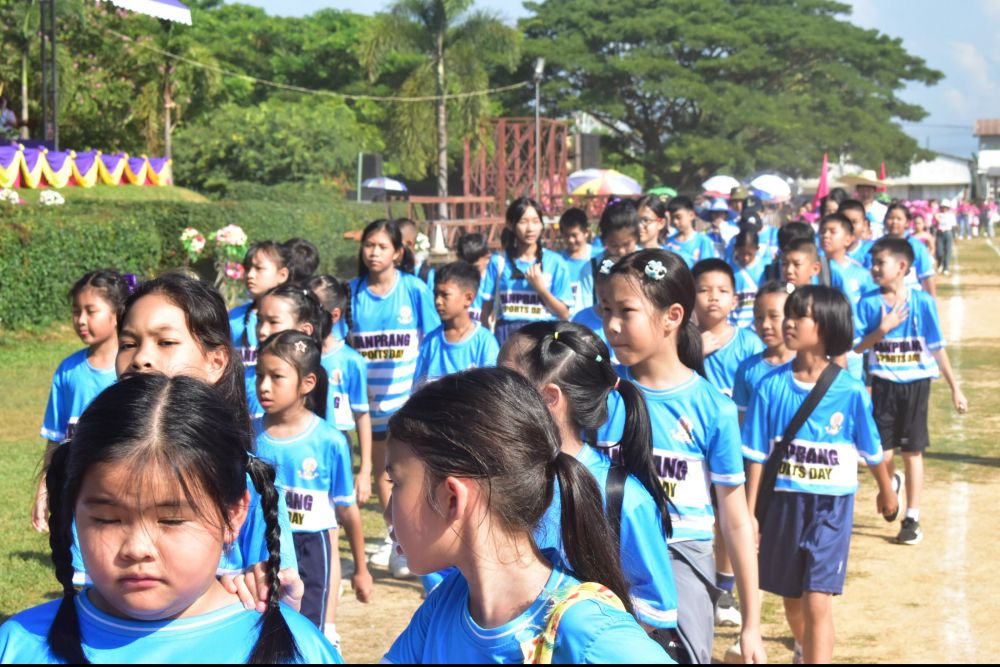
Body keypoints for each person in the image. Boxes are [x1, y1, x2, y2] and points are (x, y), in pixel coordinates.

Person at [0, 374, 339, 664]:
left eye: (172, 520)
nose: (137, 549)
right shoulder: (17, 644)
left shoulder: (298, 648)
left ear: (234, 515)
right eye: (107, 519)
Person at [382, 367, 672, 663]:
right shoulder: (446, 605)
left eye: (396, 483)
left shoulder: (588, 631)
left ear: (453, 498)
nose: (386, 514)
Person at [601, 250, 765, 664]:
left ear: (672, 316)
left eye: (626, 311)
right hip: (605, 563)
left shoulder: (713, 409)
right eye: (606, 309)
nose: (612, 325)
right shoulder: (600, 398)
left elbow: (735, 520)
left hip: (683, 562)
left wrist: (751, 624)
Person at [114, 273, 302, 610]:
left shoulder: (250, 479)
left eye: (165, 342)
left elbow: (281, 602)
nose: (140, 358)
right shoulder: (100, 476)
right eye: (128, 343)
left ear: (216, 362)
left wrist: (274, 594)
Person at [501, 321, 680, 653]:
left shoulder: (625, 499)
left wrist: (573, 638)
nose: (492, 389)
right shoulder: (498, 481)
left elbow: (656, 607)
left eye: (506, 379)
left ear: (549, 398)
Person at [743, 286, 896, 664]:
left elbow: (872, 449)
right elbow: (756, 457)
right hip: (782, 507)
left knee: (817, 600)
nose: (789, 322)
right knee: (792, 600)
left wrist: (886, 490)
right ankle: (803, 646)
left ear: (826, 326)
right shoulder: (769, 387)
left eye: (800, 316)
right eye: (789, 314)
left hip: (831, 509)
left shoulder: (850, 391)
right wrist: (749, 515)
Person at [254, 331, 372, 645]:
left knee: (305, 636)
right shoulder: (247, 434)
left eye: (276, 377)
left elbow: (347, 510)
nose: (264, 385)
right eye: (259, 375)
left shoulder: (330, 441)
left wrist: (361, 568)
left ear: (307, 383)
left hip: (311, 551)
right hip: (260, 547)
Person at [855, 238, 968, 545]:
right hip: (883, 385)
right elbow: (858, 347)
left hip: (916, 385)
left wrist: (955, 388)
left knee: (913, 451)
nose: (874, 268)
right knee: (881, 453)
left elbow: (937, 347)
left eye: (881, 263)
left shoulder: (923, 303)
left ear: (902, 266)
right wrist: (883, 329)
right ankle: (891, 481)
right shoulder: (868, 303)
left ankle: (912, 518)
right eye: (873, 263)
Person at [350, 219, 440, 579]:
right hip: (369, 406)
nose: (374, 252)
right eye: (369, 245)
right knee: (382, 473)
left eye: (382, 246)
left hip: (407, 402)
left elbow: (432, 340)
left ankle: (413, 539)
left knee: (409, 473)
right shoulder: (352, 292)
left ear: (398, 253)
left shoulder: (414, 289)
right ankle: (395, 537)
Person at [33, 270, 130, 533]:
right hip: (75, 490)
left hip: (124, 490)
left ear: (117, 314)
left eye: (91, 311)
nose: (81, 320)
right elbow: (55, 438)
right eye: (76, 312)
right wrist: (44, 489)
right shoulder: (67, 371)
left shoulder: (133, 368)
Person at [306, 275, 373, 506]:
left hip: (336, 446)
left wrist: (365, 469)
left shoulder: (351, 361)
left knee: (335, 512)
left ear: (334, 315)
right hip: (304, 445)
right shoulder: (299, 355)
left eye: (312, 309)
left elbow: (362, 415)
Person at [480, 198, 572, 345]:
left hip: (543, 337)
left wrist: (540, 288)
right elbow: (485, 312)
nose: (530, 228)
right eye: (523, 222)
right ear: (511, 225)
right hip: (506, 337)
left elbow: (564, 313)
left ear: (541, 225)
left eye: (535, 221)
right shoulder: (498, 262)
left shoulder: (555, 263)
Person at [414, 261, 499, 386]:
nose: (438, 301)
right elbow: (418, 388)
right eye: (436, 294)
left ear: (468, 298)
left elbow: (492, 388)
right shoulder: (430, 342)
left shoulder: (485, 342)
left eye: (445, 295)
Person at [694, 259, 765, 398]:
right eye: (704, 290)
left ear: (734, 302)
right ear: (690, 299)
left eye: (723, 291)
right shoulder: (681, 341)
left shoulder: (750, 343)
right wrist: (694, 354)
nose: (714, 297)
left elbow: (760, 389)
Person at [732, 281, 795, 423]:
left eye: (774, 316)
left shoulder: (808, 366)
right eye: (759, 317)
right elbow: (742, 421)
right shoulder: (746, 369)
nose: (765, 325)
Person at [230, 241, 291, 367]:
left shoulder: (291, 316)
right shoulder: (233, 316)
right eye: (248, 269)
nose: (250, 275)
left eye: (259, 268)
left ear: (282, 275)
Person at [882, 203, 937, 297]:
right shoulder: (877, 246)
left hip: (912, 299)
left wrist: (932, 302)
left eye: (899, 219)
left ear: (907, 223)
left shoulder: (918, 247)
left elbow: (927, 277)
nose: (894, 222)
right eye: (891, 218)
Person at [558, 207, 595, 317]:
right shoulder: (558, 261)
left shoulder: (597, 257)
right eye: (566, 235)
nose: (570, 240)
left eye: (574, 235)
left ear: (586, 232)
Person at [727, 229, 767, 329]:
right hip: (736, 326)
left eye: (750, 254)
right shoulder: (730, 270)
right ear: (735, 249)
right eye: (742, 253)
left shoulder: (765, 269)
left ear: (757, 249)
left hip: (758, 327)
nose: (746, 258)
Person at [665, 196, 717, 268]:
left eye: (678, 217)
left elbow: (708, 269)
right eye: (672, 217)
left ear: (691, 215)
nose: (675, 221)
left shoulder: (703, 241)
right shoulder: (669, 241)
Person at [840, 170, 888, 238]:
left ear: (874, 190)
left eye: (868, 190)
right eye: (862, 190)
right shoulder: (850, 209)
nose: (865, 194)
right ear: (857, 190)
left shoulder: (883, 210)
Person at [456, 232, 491, 323]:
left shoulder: (493, 282)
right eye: (465, 267)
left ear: (487, 258)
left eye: (475, 267)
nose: (470, 272)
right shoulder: (454, 282)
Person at [839, 200, 874, 267]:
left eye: (854, 222)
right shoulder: (829, 250)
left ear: (864, 224)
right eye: (845, 221)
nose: (850, 226)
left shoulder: (870, 250)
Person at [934, 199, 957, 276]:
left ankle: (946, 268)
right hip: (940, 233)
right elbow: (934, 224)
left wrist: (954, 236)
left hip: (948, 233)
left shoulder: (951, 216)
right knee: (939, 252)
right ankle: (940, 264)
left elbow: (953, 226)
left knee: (947, 251)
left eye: (945, 207)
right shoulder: (938, 215)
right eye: (943, 207)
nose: (944, 208)